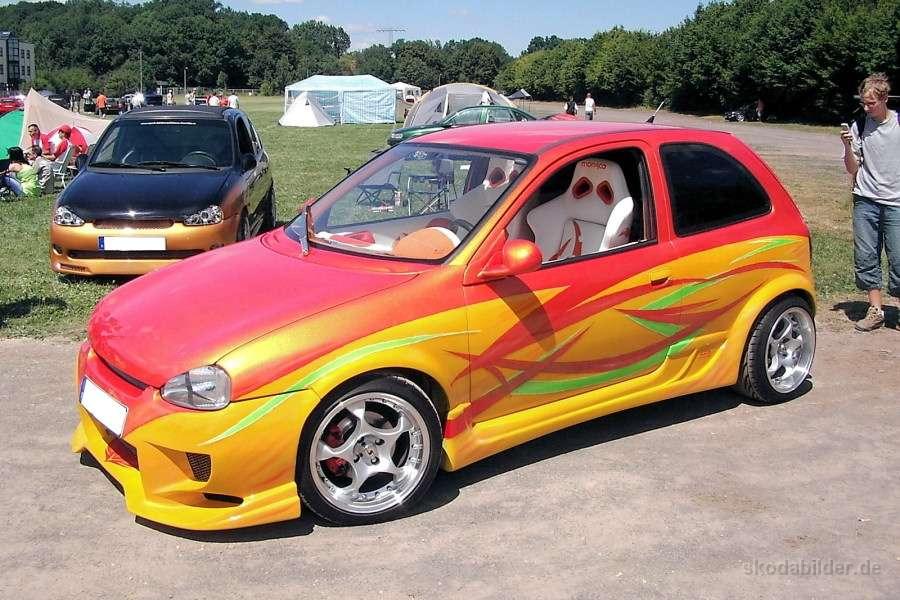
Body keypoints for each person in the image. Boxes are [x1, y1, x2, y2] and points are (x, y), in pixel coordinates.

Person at [841, 72, 900, 331]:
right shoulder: (859, 125)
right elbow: (852, 168)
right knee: (866, 257)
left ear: (884, 99)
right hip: (865, 200)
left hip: (896, 202)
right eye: (863, 103)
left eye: (871, 103)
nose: (866, 108)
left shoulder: (898, 123)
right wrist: (847, 146)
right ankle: (875, 310)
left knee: (899, 258)